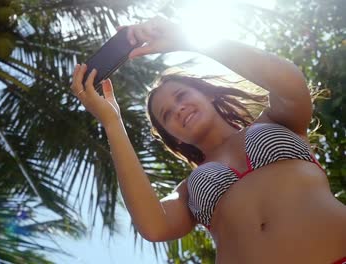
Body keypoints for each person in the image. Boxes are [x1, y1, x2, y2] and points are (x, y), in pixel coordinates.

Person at [70, 17, 346, 264]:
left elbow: (291, 83)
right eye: (166, 115)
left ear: (208, 94)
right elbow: (154, 226)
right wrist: (112, 121)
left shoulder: (276, 120)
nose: (178, 108)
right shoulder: (188, 189)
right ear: (173, 138)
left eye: (181, 96)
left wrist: (190, 40)